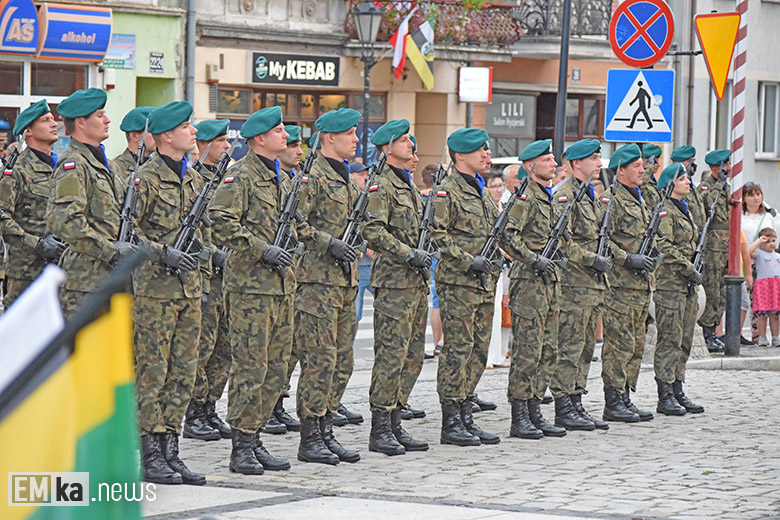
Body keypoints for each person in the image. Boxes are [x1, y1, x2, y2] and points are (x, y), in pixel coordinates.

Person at [209, 106, 295, 474]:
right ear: (260, 138)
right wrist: (263, 248)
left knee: (275, 369)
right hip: (250, 289)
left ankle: (255, 436)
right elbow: (219, 220)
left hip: (281, 287)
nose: (286, 137)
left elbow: (297, 222)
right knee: (250, 368)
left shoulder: (283, 179)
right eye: (278, 131)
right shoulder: (239, 176)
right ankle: (241, 447)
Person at [131, 101, 206, 485]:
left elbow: (203, 234)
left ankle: (171, 449)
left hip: (189, 291)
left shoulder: (193, 179)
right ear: (166, 136)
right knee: (153, 373)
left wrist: (204, 270)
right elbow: (129, 235)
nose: (193, 131)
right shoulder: (144, 178)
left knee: (183, 373)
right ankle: (150, 454)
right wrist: (164, 253)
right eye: (186, 126)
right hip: (155, 293)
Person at [293, 108, 363, 465]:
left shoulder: (348, 178)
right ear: (330, 138)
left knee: (342, 362)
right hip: (317, 282)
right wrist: (326, 242)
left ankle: (326, 428)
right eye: (350, 134)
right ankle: (310, 438)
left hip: (344, 281)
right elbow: (293, 222)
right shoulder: (313, 178)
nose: (356, 139)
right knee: (319, 362)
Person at [361, 119, 430, 456]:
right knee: (391, 356)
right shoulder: (381, 186)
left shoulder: (410, 188)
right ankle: (380, 427)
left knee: (413, 356)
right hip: (393, 282)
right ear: (387, 149)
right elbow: (372, 230)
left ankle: (396, 419)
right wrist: (408, 253)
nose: (411, 148)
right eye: (404, 142)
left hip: (415, 282)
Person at [431, 128, 500, 447]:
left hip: (484, 281)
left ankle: (466, 413)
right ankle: (451, 420)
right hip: (459, 281)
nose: (487, 155)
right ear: (461, 156)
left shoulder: (482, 191)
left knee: (478, 349)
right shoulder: (447, 191)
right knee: (458, 350)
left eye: (486, 150)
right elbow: (437, 235)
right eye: (479, 151)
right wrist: (467, 259)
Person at [46, 88, 134, 318]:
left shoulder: (110, 167)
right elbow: (64, 222)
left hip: (114, 279)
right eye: (99, 115)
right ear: (81, 123)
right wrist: (111, 250)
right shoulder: (73, 165)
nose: (108, 120)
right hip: (85, 283)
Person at [500, 139, 564, 440]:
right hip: (528, 281)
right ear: (530, 166)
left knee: (547, 349)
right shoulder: (524, 198)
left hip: (549, 281)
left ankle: (535, 409)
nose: (554, 164)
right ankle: (520, 414)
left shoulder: (546, 197)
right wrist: (531, 257)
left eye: (553, 159)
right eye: (547, 159)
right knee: (527, 350)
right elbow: (507, 235)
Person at [549, 139, 611, 432]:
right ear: (576, 164)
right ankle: (563, 406)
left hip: (591, 286)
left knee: (587, 347)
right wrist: (592, 258)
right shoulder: (565, 195)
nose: (599, 164)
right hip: (573, 286)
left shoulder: (589, 196)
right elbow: (563, 243)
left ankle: (576, 401)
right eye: (594, 158)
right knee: (570, 348)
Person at [182, 119, 233, 442]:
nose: (228, 147)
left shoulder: (227, 179)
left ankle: (211, 406)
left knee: (224, 348)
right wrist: (214, 254)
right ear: (203, 144)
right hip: (205, 274)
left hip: (229, 275)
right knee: (203, 346)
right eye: (222, 141)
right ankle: (195, 411)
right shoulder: (193, 179)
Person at [600, 144, 657, 424]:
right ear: (620, 170)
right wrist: (627, 258)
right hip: (620, 286)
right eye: (636, 166)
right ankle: (612, 401)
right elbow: (602, 241)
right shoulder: (611, 200)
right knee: (617, 344)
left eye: (642, 166)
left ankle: (625, 396)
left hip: (640, 286)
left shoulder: (639, 198)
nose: (642, 170)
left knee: (635, 345)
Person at [0, 99, 66, 308]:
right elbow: (2, 217)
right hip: (26, 274)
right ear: (28, 131)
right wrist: (37, 244)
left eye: (53, 119)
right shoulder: (17, 170)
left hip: (58, 271)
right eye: (46, 120)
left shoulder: (62, 168)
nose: (54, 124)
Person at [652, 163, 705, 416]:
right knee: (669, 340)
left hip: (687, 284)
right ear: (669, 184)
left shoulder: (685, 210)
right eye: (682, 178)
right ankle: (664, 395)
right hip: (670, 284)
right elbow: (665, 246)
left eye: (687, 178)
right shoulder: (664, 211)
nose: (688, 182)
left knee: (684, 339)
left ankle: (678, 388)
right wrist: (688, 267)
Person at [269, 124, 305, 434]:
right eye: (291, 143)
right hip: (256, 283)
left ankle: (276, 404)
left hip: (288, 277)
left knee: (284, 352)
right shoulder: (243, 176)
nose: (297, 149)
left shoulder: (287, 180)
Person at [696, 149, 732, 353]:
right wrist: (718, 184)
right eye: (724, 165)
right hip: (712, 249)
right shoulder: (706, 187)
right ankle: (707, 333)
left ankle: (714, 331)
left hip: (726, 248)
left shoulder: (727, 188)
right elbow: (707, 205)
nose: (728, 168)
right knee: (711, 290)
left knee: (721, 292)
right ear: (714, 167)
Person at [742, 182, 775, 345]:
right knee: (750, 299)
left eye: (758, 194)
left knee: (767, 299)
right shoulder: (741, 216)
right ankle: (756, 333)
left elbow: (775, 240)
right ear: (744, 198)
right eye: (751, 195)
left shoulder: (768, 217)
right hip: (746, 260)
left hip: (764, 261)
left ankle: (768, 334)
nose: (756, 198)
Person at [420, 163, 444, 357]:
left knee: (435, 299)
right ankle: (439, 342)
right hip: (439, 250)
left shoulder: (419, 196)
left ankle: (437, 341)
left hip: (425, 250)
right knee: (438, 299)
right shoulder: (440, 196)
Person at [748, 228, 780, 347]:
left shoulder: (777, 255)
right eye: (768, 241)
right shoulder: (759, 253)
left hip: (776, 286)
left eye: (773, 240)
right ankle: (762, 337)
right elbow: (747, 251)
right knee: (762, 314)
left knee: (775, 314)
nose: (771, 244)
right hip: (763, 286)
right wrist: (759, 241)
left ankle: (776, 337)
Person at [112, 106, 155, 176]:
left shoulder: (159, 168)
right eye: (152, 131)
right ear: (134, 136)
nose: (158, 136)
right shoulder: (115, 169)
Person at [640, 144, 662, 211]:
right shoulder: (638, 181)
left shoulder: (654, 182)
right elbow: (640, 186)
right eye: (655, 162)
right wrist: (648, 168)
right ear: (643, 161)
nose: (659, 165)